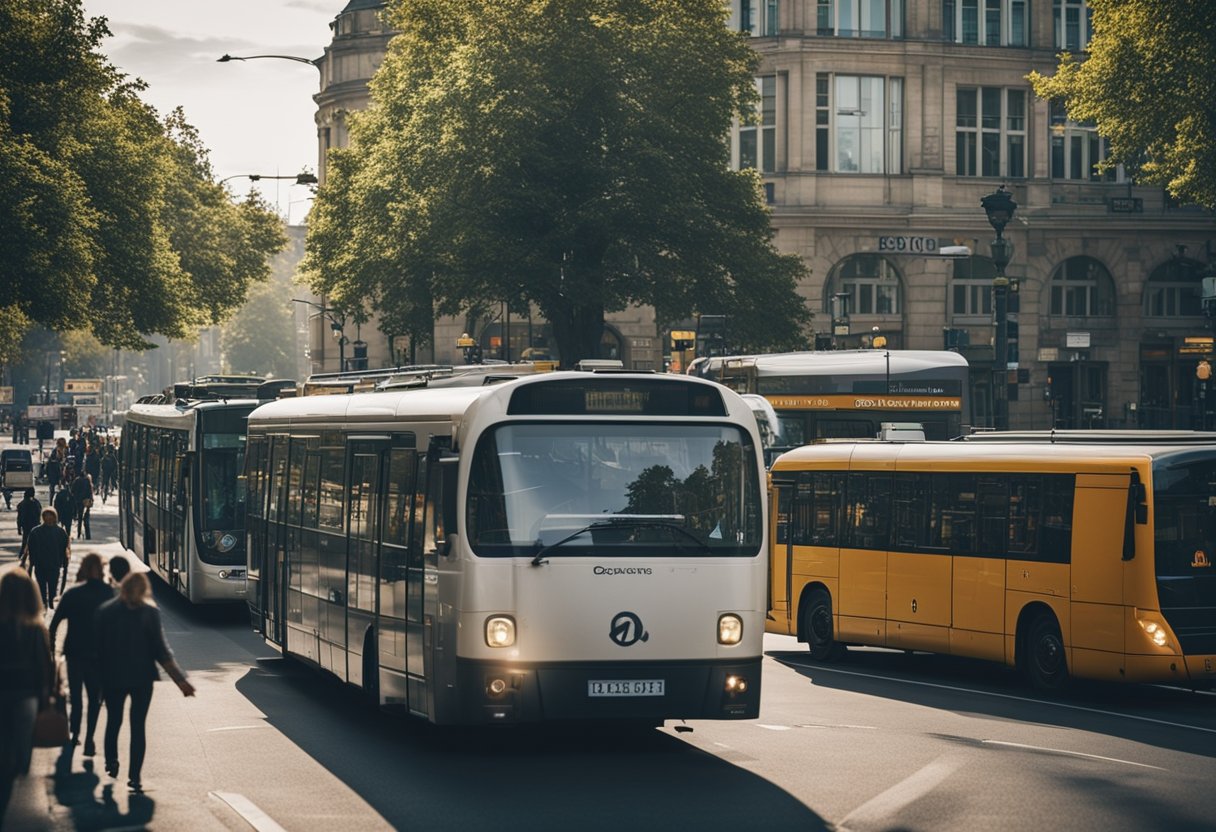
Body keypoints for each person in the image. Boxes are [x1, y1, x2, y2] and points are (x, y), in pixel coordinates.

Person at [96, 573, 195, 791]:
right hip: (142, 678)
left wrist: (98, 682)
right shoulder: (150, 613)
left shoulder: (107, 611)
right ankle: (135, 777)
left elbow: (99, 651)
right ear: (143, 590)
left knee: (113, 721)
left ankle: (111, 761)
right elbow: (161, 651)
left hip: (113, 677)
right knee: (137, 726)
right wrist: (181, 681)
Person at [0, 569, 55, 820]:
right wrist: (46, 699)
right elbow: (45, 667)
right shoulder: (35, 629)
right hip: (25, 695)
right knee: (18, 754)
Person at [49, 554, 113, 757]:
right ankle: (89, 739)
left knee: (75, 697)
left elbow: (54, 624)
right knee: (95, 698)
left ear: (83, 569)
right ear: (101, 570)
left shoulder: (73, 594)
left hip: (74, 651)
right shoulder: (108, 593)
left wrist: (52, 650)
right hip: (99, 655)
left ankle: (74, 732)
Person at [23, 508, 71, 609]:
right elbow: (30, 549)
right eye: (46, 515)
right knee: (41, 588)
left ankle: (51, 602)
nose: (49, 518)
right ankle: (44, 603)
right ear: (43, 517)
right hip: (40, 565)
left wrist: (65, 563)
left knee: (53, 587)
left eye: (51, 515)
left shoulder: (61, 532)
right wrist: (30, 565)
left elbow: (65, 549)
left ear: (55, 517)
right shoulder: (35, 531)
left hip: (54, 565)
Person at [16, 487, 42, 555]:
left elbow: (19, 517)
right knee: (36, 541)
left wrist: (19, 527)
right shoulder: (36, 503)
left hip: (26, 525)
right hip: (35, 524)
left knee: (25, 541)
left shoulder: (22, 503)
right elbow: (39, 513)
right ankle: (35, 554)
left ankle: (22, 554)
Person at [70, 471, 93, 540]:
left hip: (78, 501)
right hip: (86, 501)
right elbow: (90, 491)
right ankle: (88, 535)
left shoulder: (76, 480)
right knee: (86, 517)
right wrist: (90, 499)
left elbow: (72, 490)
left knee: (79, 517)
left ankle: (79, 533)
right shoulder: (87, 481)